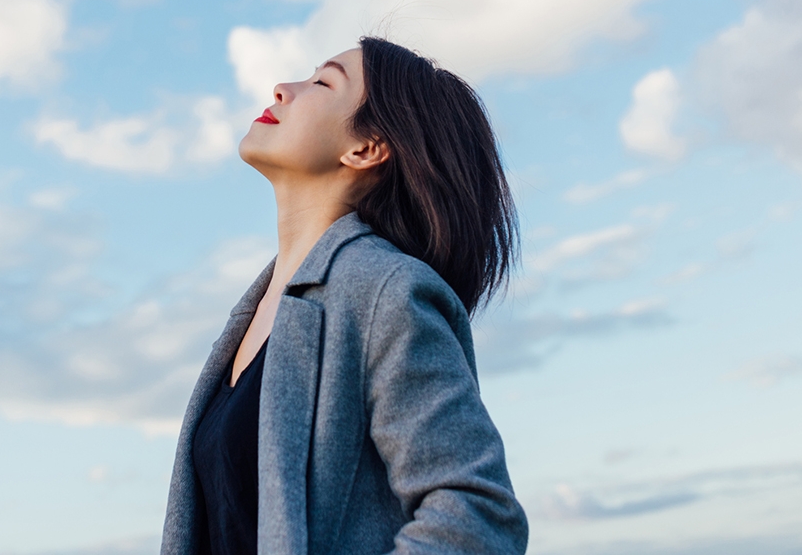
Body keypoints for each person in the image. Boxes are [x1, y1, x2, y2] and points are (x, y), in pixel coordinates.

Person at [161, 37, 528, 555]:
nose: (283, 89)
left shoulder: (385, 291)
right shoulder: (256, 312)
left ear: (365, 148)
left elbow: (478, 511)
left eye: (322, 82)